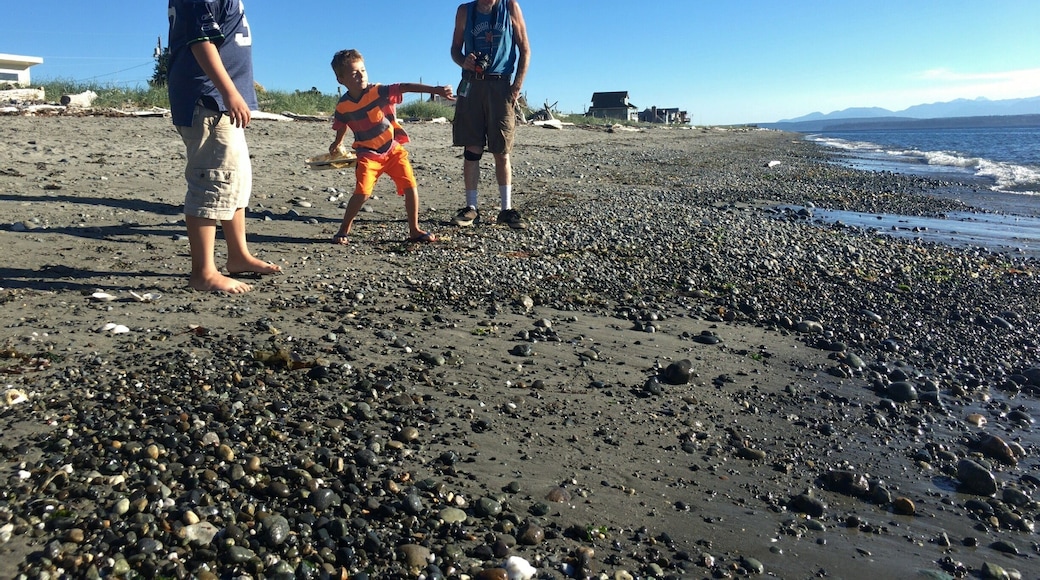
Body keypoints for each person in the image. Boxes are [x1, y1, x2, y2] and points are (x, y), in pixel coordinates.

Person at [167, 0, 280, 294]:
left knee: (235, 180)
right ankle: (203, 272)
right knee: (212, 181)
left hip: (220, 103)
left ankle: (238, 255)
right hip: (209, 101)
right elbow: (200, 41)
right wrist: (229, 92)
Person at [328, 49, 455, 245]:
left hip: (393, 150)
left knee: (410, 186)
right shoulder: (343, 105)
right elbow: (342, 123)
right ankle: (343, 230)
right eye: (354, 73)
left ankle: (414, 229)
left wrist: (435, 90)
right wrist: (338, 142)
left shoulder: (377, 91)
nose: (361, 75)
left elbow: (404, 87)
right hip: (367, 155)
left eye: (363, 70)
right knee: (362, 193)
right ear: (341, 79)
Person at [450, 0, 531, 229]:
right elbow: (455, 50)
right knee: (471, 147)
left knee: (501, 149)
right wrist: (463, 61)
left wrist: (516, 86)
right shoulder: (465, 11)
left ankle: (506, 209)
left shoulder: (510, 7)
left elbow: (525, 49)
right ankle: (471, 208)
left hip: (500, 84)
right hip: (472, 83)